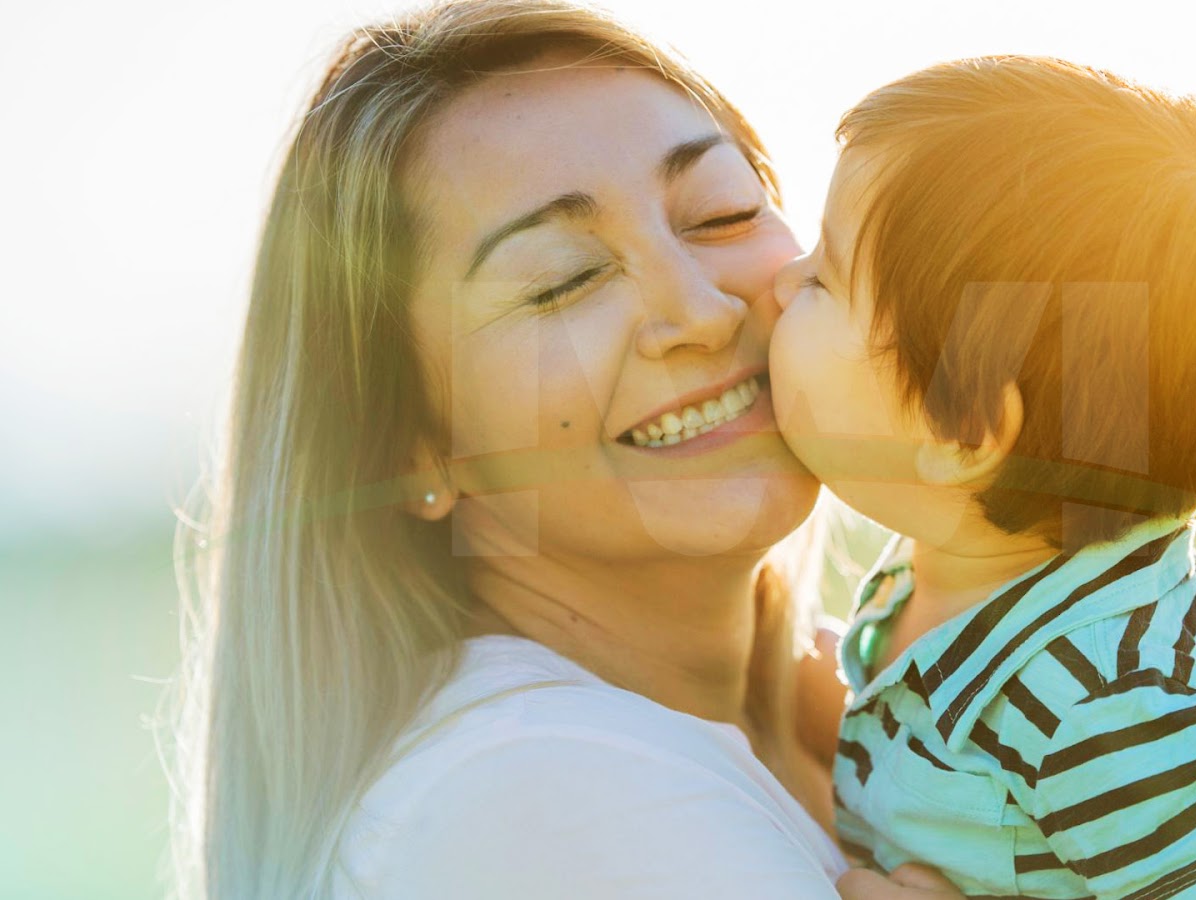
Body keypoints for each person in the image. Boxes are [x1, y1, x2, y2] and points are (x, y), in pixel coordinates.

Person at [167, 2, 948, 897]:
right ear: (410, 447)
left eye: (721, 213)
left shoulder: (889, 706)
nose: (701, 312)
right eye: (561, 282)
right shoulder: (536, 795)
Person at [769, 56, 1196, 899]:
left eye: (822, 280)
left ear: (964, 429)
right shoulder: (974, 572)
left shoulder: (1108, 710)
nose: (778, 280)